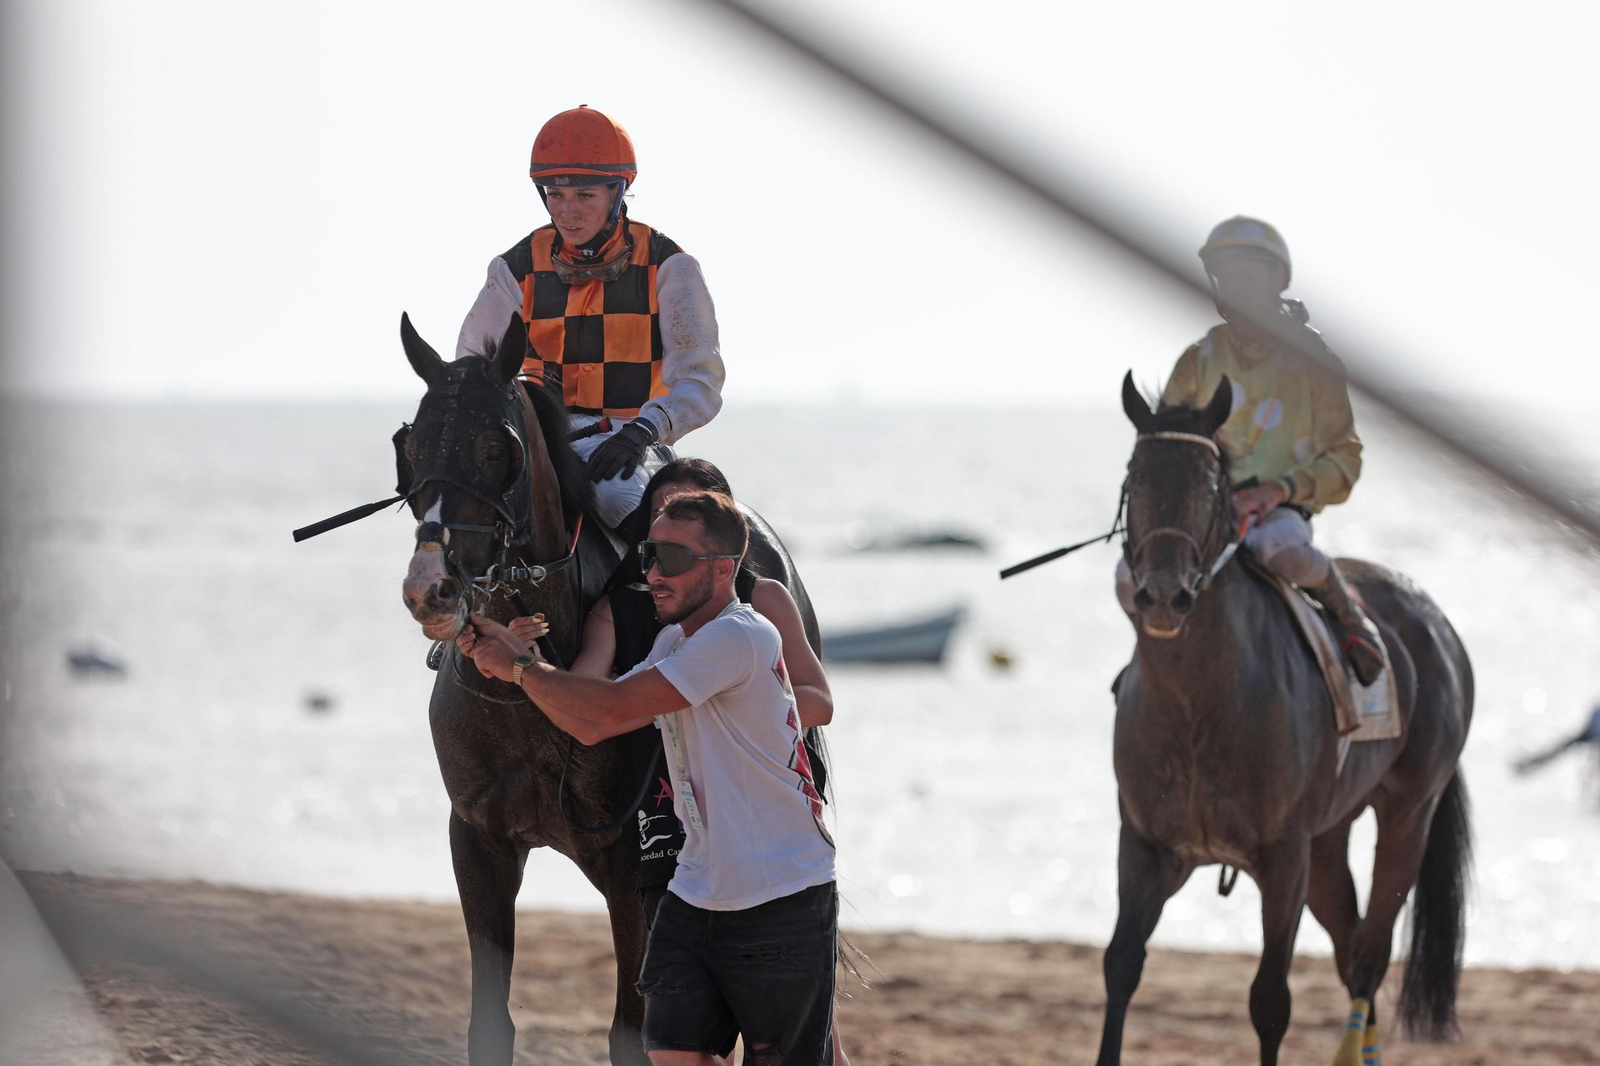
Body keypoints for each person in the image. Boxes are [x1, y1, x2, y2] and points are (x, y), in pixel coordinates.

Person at [457, 491, 838, 1066]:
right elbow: (590, 724)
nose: (654, 574)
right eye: (648, 556)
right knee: (672, 1055)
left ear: (722, 570)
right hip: (695, 890)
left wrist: (519, 666)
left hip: (778, 891)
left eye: (673, 559)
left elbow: (608, 710)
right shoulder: (672, 641)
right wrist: (516, 663)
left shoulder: (741, 636)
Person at [1115, 216, 1385, 685]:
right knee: (1127, 576)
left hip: (1278, 513)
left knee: (1284, 553)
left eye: (1247, 276)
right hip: (1207, 516)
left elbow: (1345, 460)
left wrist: (1278, 490)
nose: (1233, 287)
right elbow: (1168, 453)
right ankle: (1151, 667)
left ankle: (1351, 622)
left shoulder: (1316, 363)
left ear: (1278, 279)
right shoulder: (1198, 359)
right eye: (1225, 276)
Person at [456, 105, 725, 529]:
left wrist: (642, 430)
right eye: (556, 195)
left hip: (630, 445)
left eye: (585, 195)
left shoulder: (671, 267)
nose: (568, 211)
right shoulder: (512, 270)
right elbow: (473, 367)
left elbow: (700, 382)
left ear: (618, 192)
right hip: (537, 442)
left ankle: (646, 593)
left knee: (618, 498)